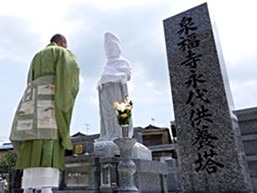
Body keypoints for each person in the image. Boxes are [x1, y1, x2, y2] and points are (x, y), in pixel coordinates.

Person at [10, 34, 80, 193]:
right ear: (62, 42)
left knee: (31, 138)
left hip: (32, 101)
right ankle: (46, 188)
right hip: (50, 98)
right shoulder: (61, 53)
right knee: (50, 137)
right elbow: (70, 73)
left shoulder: (37, 56)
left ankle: (28, 187)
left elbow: (30, 79)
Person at [96, 31, 133, 141]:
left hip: (117, 92)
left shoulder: (123, 62)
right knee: (107, 116)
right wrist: (100, 82)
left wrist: (111, 77)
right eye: (107, 47)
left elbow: (126, 76)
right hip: (105, 93)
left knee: (117, 113)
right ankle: (108, 134)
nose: (109, 49)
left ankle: (119, 135)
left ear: (117, 47)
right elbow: (102, 78)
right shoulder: (106, 65)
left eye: (112, 46)